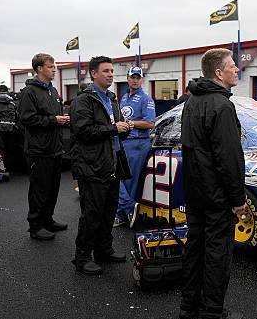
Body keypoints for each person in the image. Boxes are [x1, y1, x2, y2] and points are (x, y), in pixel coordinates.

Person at [179, 48, 247, 319]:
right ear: (219, 73)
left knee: (195, 248)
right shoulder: (222, 106)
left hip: (195, 191)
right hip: (217, 195)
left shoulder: (191, 101)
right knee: (217, 253)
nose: (236, 70)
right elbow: (228, 158)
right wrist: (237, 198)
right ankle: (211, 315)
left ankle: (189, 305)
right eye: (232, 66)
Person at [70, 56, 131, 275]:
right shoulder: (83, 101)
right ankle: (82, 257)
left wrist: (126, 128)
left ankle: (104, 250)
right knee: (92, 214)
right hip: (92, 165)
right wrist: (115, 129)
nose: (111, 74)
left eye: (112, 71)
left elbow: (116, 127)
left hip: (112, 163)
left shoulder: (112, 99)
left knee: (108, 211)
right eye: (106, 71)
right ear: (94, 74)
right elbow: (83, 132)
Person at [17, 53, 69, 240]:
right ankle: (35, 226)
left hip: (55, 147)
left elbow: (56, 116)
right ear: (39, 68)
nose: (54, 68)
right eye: (50, 66)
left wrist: (62, 120)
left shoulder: (53, 91)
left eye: (54, 66)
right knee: (39, 189)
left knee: (53, 188)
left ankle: (48, 220)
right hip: (38, 150)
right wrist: (53, 120)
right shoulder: (29, 92)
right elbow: (26, 119)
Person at [114, 66, 156, 227]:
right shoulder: (124, 98)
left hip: (138, 143)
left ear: (142, 79)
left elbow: (150, 123)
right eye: (133, 77)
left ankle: (123, 213)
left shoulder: (146, 99)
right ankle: (127, 210)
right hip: (124, 142)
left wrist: (131, 124)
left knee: (127, 180)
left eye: (138, 77)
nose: (135, 80)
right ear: (127, 78)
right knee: (118, 177)